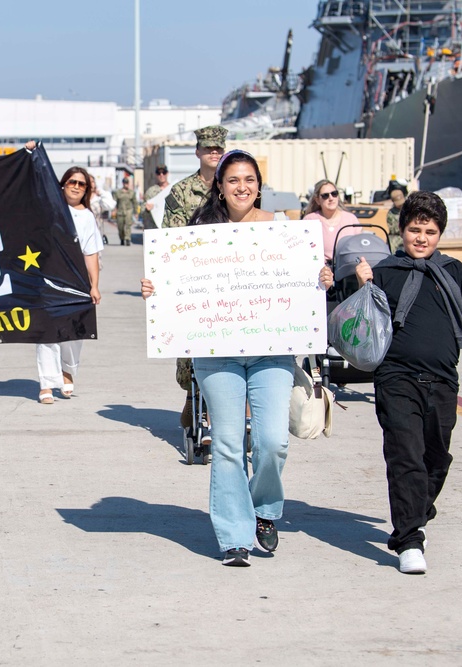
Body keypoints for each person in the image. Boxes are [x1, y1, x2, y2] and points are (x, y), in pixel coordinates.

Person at [142, 150, 333, 567]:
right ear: (220, 186)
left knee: (271, 441)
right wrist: (156, 289)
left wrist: (319, 277)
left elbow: (304, 278)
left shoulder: (284, 230)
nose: (241, 187)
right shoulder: (200, 232)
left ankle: (264, 509)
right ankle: (233, 537)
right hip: (218, 354)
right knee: (228, 444)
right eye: (232, 180)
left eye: (248, 179)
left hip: (271, 352)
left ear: (259, 185)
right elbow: (174, 281)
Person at [353, 190, 462, 575]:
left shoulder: (453, 271)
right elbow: (358, 324)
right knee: (405, 455)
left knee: (436, 459)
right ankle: (409, 540)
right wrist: (362, 285)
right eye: (413, 229)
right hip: (396, 377)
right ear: (401, 231)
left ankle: (418, 508)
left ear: (439, 234)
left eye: (429, 231)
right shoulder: (385, 271)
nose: (421, 238)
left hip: (442, 380)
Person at [162, 125, 228, 427]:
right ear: (198, 151)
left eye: (218, 148)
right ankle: (192, 395)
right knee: (191, 347)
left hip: (230, 278)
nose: (213, 152)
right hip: (194, 280)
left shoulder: (234, 185)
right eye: (208, 147)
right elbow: (169, 237)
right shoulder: (180, 192)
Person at [37, 166, 102, 403]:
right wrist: (30, 154)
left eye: (81, 184)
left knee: (73, 335)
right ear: (63, 184)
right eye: (72, 181)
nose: (76, 186)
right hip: (48, 279)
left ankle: (67, 371)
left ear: (86, 189)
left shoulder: (86, 217)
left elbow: (91, 253)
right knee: (46, 333)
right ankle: (46, 383)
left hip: (77, 281)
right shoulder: (48, 210)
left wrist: (94, 285)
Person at [303, 179, 361, 262]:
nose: (331, 198)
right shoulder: (309, 220)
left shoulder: (351, 219)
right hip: (321, 269)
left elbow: (359, 247)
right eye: (325, 195)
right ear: (317, 200)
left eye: (334, 194)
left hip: (346, 267)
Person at [141, 165, 170, 230]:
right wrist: (147, 209)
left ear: (167, 174)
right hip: (155, 228)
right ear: (156, 175)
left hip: (170, 227)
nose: (161, 175)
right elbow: (142, 213)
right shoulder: (151, 191)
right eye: (158, 173)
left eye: (164, 172)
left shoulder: (173, 189)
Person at [111, 175, 138, 245]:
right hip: (120, 211)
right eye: (124, 183)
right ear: (123, 183)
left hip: (128, 211)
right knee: (120, 227)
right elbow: (114, 202)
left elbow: (135, 203)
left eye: (127, 183)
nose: (126, 184)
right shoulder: (118, 192)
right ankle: (122, 238)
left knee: (128, 226)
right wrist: (113, 210)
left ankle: (128, 239)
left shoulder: (132, 192)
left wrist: (136, 212)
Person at [385, 182, 408, 253]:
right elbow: (392, 228)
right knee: (391, 242)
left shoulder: (408, 209)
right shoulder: (391, 213)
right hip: (396, 235)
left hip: (407, 233)